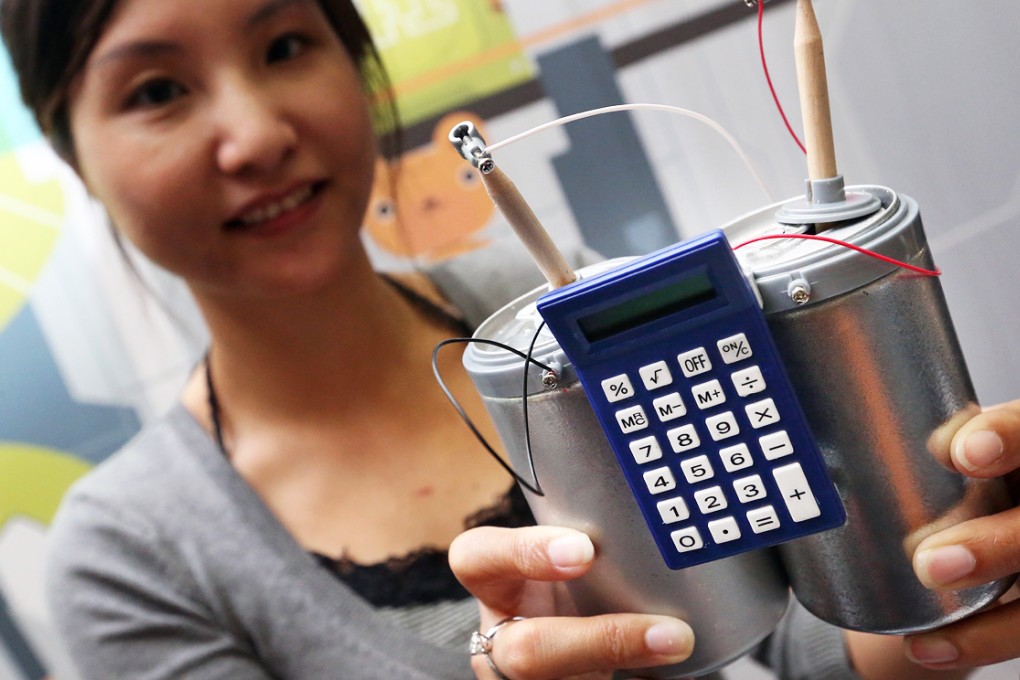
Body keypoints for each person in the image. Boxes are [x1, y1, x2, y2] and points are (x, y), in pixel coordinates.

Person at [1, 0, 1017, 679]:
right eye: (156, 91)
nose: (258, 132)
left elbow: (792, 637)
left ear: (356, 70)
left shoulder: (534, 306)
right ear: (71, 153)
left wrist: (949, 592)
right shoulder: (131, 555)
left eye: (284, 46)